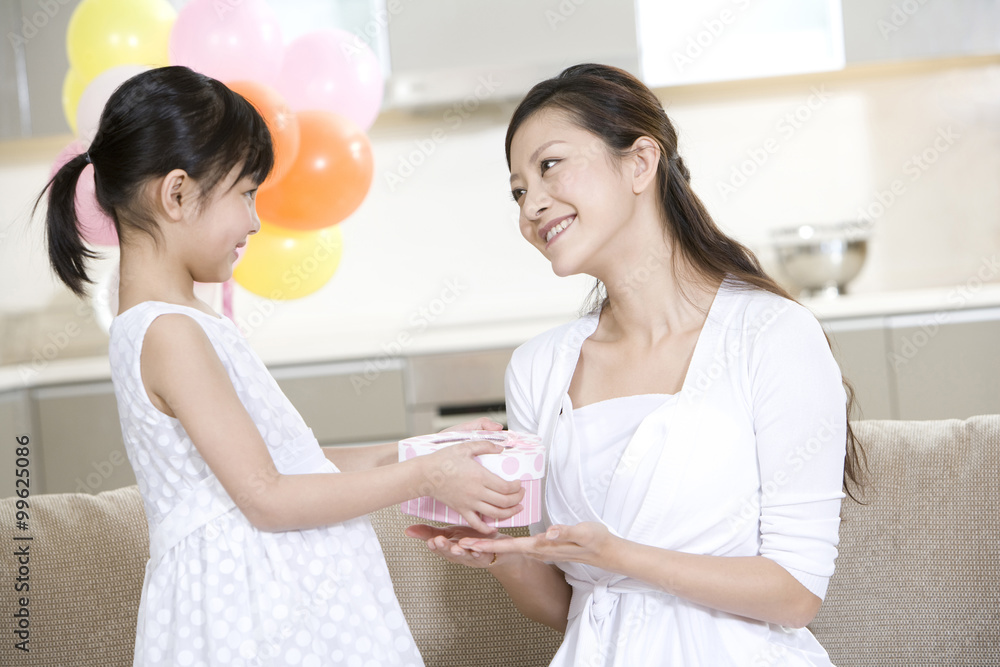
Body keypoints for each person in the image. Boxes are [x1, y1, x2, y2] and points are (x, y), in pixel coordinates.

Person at [36, 65, 525, 667]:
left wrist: (426, 451)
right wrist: (425, 479)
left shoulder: (187, 321)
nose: (255, 220)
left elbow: (295, 466)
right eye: (245, 193)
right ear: (178, 193)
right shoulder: (167, 332)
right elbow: (268, 497)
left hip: (277, 600)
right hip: (254, 614)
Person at [406, 64, 867, 666]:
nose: (531, 206)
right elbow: (573, 609)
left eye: (549, 166)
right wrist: (502, 556)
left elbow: (796, 595)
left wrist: (622, 556)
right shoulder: (539, 369)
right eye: (518, 190)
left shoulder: (771, 335)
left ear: (640, 163)